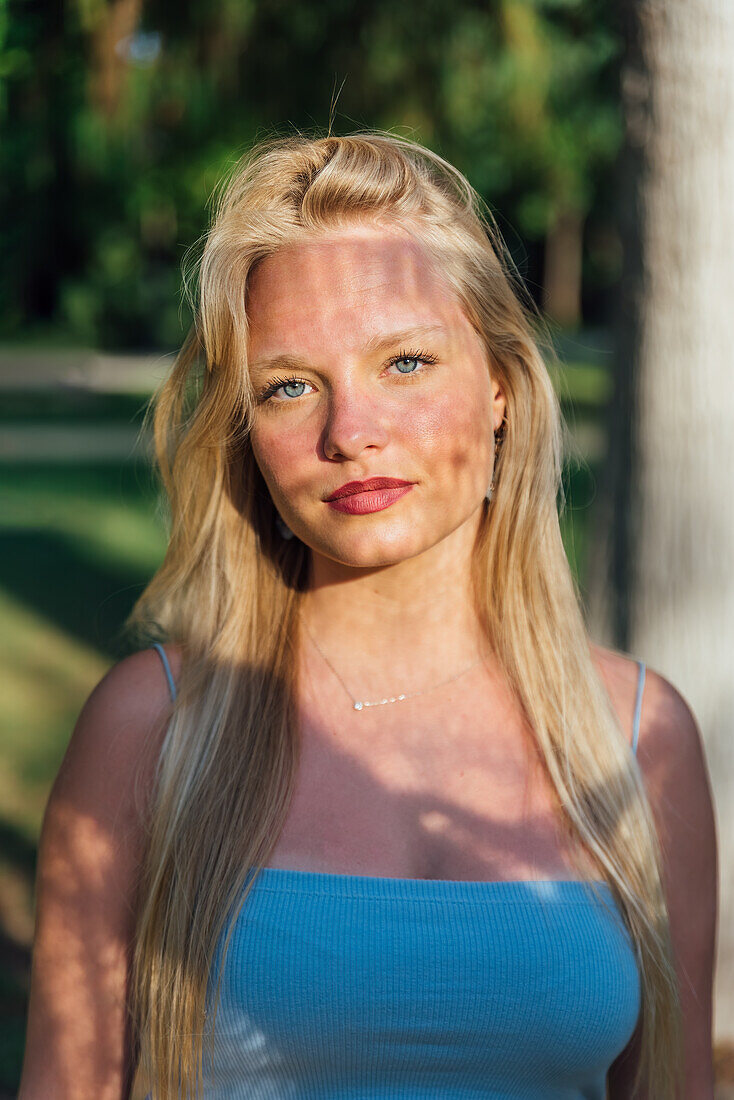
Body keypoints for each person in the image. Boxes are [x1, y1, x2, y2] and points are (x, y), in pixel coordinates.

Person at [17, 131, 717, 1100]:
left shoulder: (639, 733)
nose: (350, 433)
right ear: (245, 430)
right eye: (290, 385)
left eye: (404, 362)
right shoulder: (155, 726)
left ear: (501, 385)